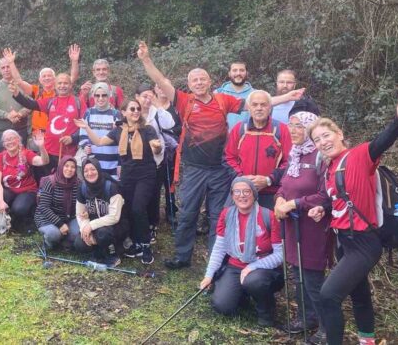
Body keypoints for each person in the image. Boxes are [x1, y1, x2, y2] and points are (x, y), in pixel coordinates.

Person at [136, 41, 304, 270]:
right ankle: (182, 256)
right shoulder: (185, 100)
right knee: (188, 214)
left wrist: (288, 97)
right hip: (194, 168)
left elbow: (257, 104)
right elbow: (161, 82)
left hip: (220, 169)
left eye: (202, 79)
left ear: (209, 82)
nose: (198, 83)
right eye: (194, 80)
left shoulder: (222, 99)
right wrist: (146, 59)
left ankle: (216, 261)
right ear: (188, 84)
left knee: (218, 216)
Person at [306, 93, 398, 345]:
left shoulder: (358, 156)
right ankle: (366, 340)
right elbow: (339, 198)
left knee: (328, 295)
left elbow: (380, 143)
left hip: (363, 242)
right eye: (317, 140)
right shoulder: (330, 167)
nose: (323, 142)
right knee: (359, 293)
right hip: (343, 242)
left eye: (326, 135)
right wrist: (322, 209)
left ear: (340, 134)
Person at [75, 99, 163, 265]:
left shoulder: (147, 129)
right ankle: (134, 242)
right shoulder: (118, 131)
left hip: (146, 174)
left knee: (138, 208)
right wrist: (86, 128)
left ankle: (145, 245)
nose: (136, 111)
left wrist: (157, 147)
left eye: (138, 109)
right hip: (128, 176)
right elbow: (99, 142)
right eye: (132, 109)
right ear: (123, 112)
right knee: (128, 209)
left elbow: (155, 147)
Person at [274, 111, 331, 343]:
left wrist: (295, 203)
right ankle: (307, 317)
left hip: (313, 227)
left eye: (299, 126)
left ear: (310, 129)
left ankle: (328, 326)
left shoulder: (320, 156)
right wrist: (279, 199)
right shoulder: (295, 154)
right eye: (291, 125)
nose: (294, 130)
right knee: (297, 274)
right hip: (292, 225)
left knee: (312, 277)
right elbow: (284, 184)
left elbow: (326, 195)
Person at [200, 178, 284, 327]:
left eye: (246, 191)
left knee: (254, 281)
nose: (242, 195)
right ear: (232, 196)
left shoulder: (268, 216)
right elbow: (220, 248)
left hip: (262, 268)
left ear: (254, 194)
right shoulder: (226, 215)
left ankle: (266, 312)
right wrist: (209, 275)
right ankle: (243, 294)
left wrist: (251, 267)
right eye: (237, 191)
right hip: (234, 265)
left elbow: (280, 254)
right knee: (222, 306)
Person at [1, 45, 80, 149]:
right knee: (37, 162)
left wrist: (74, 61)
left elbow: (73, 78)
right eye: (44, 76)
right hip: (37, 133)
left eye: (49, 76)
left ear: (55, 79)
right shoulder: (36, 91)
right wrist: (11, 63)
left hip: (55, 132)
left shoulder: (60, 91)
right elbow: (19, 81)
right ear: (40, 79)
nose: (47, 78)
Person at [224, 90, 292, 210]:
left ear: (270, 107)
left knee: (271, 227)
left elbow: (290, 162)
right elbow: (228, 157)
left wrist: (269, 180)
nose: (259, 108)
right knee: (232, 224)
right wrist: (241, 178)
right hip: (242, 190)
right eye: (255, 105)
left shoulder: (282, 130)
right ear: (249, 108)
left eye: (263, 104)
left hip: (271, 192)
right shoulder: (239, 129)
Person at [11, 73, 84, 174]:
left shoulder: (78, 102)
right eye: (60, 83)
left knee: (65, 180)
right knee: (47, 180)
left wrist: (73, 138)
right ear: (55, 85)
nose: (62, 86)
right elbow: (31, 104)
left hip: (68, 152)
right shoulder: (50, 101)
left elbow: (86, 125)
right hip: (48, 150)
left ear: (71, 85)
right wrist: (16, 94)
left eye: (66, 83)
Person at [135, 82, 176, 243]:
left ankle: (153, 224)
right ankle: (139, 223)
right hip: (135, 161)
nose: (147, 100)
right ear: (137, 97)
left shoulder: (157, 113)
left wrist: (158, 105)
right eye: (144, 96)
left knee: (153, 194)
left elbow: (170, 123)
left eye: (149, 96)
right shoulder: (132, 112)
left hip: (155, 161)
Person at [74, 158, 128, 268]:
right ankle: (99, 251)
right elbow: (80, 213)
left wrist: (90, 225)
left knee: (103, 234)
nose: (89, 173)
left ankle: (114, 254)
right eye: (86, 171)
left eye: (93, 169)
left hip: (116, 226)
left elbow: (114, 217)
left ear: (98, 169)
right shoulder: (82, 188)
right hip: (95, 226)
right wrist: (85, 229)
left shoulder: (111, 187)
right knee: (79, 244)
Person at [0, 129, 49, 232]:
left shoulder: (26, 154)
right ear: (3, 144)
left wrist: (41, 146)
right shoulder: (0, 157)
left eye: (12, 139)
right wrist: (1, 202)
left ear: (18, 140)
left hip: (27, 190)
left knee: (19, 208)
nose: (10, 142)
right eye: (6, 140)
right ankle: (7, 217)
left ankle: (21, 219)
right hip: (10, 189)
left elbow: (44, 161)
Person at [0, 58, 31, 158]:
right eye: (3, 68)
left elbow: (30, 105)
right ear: (0, 70)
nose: (6, 69)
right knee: (0, 161)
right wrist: (7, 115)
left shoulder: (22, 85)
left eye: (8, 67)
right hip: (0, 132)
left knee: (21, 161)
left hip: (20, 130)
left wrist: (19, 114)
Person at [78, 82, 121, 178]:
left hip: (112, 163)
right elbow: (82, 135)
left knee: (112, 191)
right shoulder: (88, 113)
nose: (100, 98)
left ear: (109, 96)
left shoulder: (116, 114)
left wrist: (120, 163)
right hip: (94, 164)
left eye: (104, 95)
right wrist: (85, 146)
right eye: (97, 95)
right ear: (93, 96)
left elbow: (122, 142)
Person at [35, 155, 79, 249]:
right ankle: (49, 243)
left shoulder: (78, 183)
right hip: (47, 218)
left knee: (78, 233)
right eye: (66, 166)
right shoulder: (51, 182)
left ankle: (64, 240)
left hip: (69, 218)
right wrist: (60, 224)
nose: (69, 169)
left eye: (73, 167)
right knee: (54, 234)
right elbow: (43, 207)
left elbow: (81, 203)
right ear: (61, 166)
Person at [153, 82, 182, 226]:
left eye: (165, 86)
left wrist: (171, 133)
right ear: (155, 90)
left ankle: (171, 211)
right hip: (155, 151)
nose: (162, 89)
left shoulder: (176, 108)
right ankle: (154, 212)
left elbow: (182, 126)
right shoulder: (151, 108)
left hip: (172, 150)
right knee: (155, 182)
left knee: (170, 182)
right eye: (159, 87)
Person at [215, 61, 254, 128]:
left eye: (241, 70)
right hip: (224, 137)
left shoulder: (255, 94)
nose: (238, 73)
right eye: (234, 70)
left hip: (248, 136)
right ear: (229, 73)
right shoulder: (218, 93)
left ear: (247, 73)